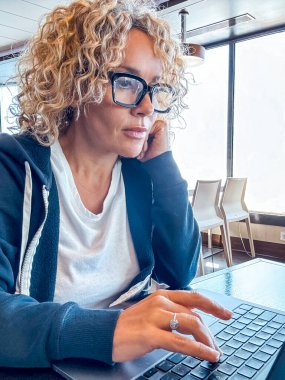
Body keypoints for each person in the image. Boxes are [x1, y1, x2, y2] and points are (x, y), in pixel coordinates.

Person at [0, 0, 232, 369]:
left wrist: (163, 164)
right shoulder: (12, 169)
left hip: (133, 364)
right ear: (75, 83)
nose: (146, 108)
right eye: (126, 81)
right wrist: (107, 331)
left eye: (156, 89)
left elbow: (179, 272)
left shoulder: (141, 175)